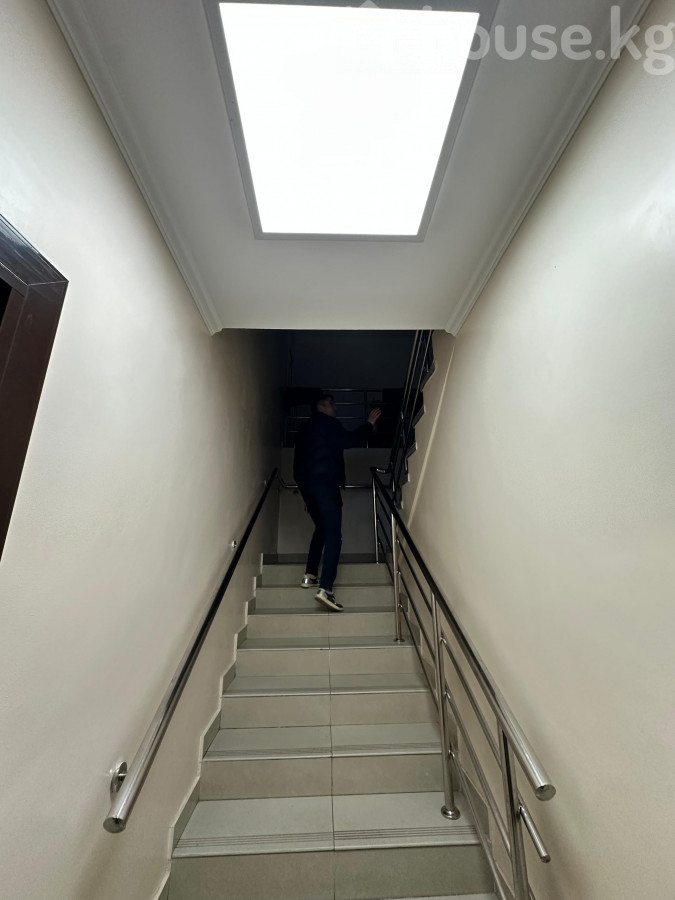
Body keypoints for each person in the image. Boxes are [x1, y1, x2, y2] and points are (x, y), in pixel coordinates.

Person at [293, 394, 381, 611]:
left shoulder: (304, 429)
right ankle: (326, 589)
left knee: (321, 528)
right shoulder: (328, 423)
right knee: (333, 535)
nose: (336, 409)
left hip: (308, 486)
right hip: (325, 485)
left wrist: (306, 495)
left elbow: (297, 463)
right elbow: (349, 440)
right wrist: (369, 424)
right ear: (321, 406)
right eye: (332, 404)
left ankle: (310, 574)